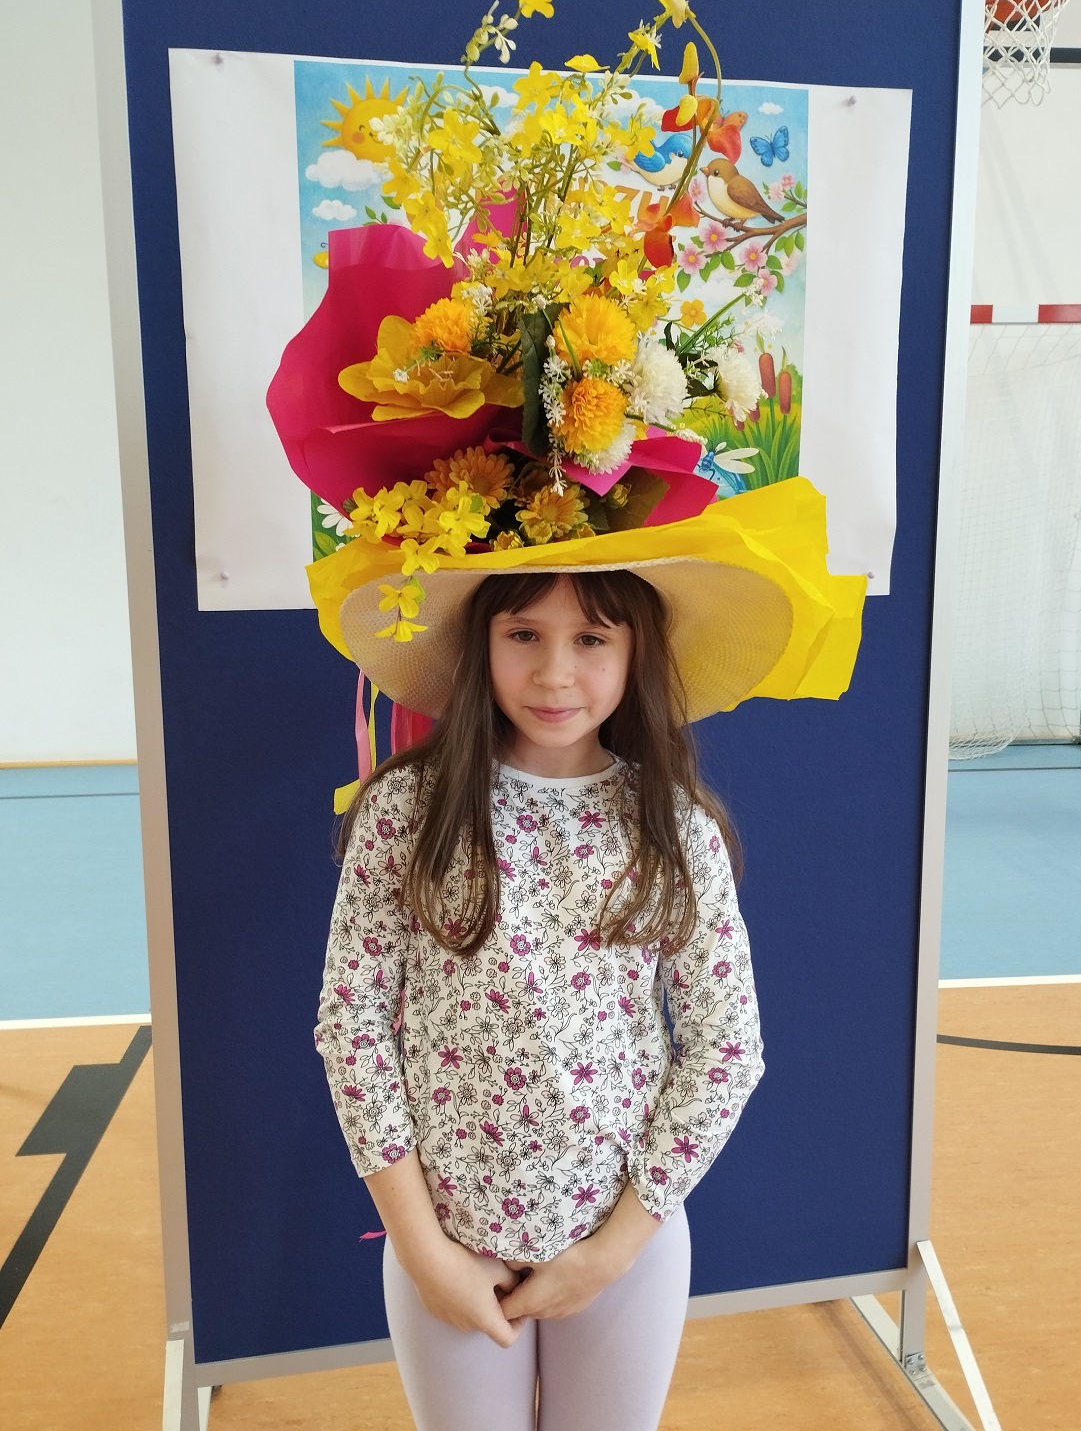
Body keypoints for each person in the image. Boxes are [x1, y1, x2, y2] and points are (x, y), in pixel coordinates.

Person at [314, 563, 766, 1431]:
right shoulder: (407, 811)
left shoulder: (674, 827)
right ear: (480, 642)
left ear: (635, 654)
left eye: (591, 639)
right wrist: (424, 1251)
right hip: (449, 1239)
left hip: (620, 1244)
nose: (555, 673)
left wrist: (610, 1252)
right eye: (524, 634)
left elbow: (727, 1047)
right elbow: (352, 1025)